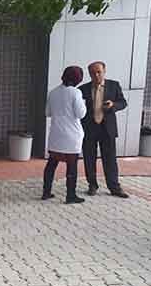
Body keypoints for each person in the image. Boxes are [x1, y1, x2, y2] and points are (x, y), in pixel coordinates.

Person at [80, 61, 129, 198]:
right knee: (89, 158)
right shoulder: (83, 89)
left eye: (99, 72)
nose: (96, 75)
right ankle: (92, 185)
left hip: (107, 128)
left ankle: (114, 187)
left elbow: (123, 103)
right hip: (89, 128)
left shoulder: (114, 85)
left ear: (104, 71)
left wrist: (113, 105)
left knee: (110, 159)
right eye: (92, 73)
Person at [42, 66, 87, 204]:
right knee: (71, 166)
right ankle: (71, 195)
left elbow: (47, 113)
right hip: (72, 135)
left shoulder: (53, 92)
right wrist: (83, 103)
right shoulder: (76, 92)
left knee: (52, 163)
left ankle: (46, 192)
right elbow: (81, 114)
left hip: (56, 134)